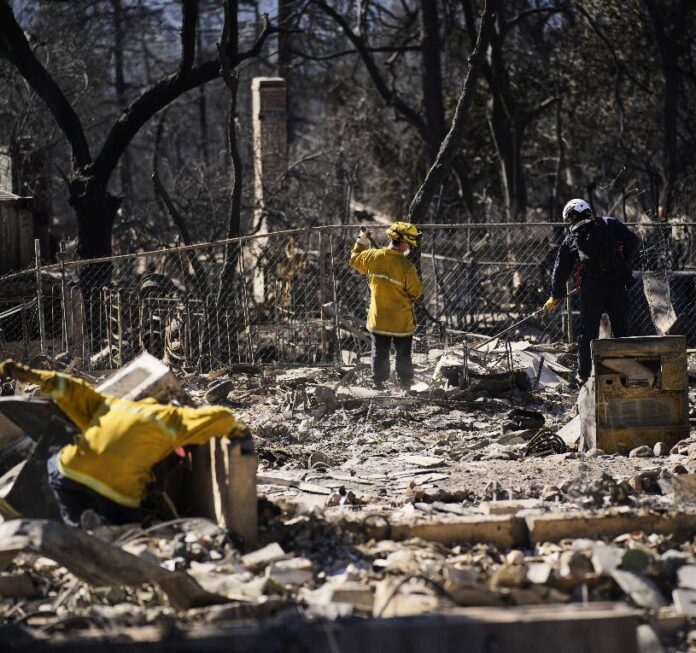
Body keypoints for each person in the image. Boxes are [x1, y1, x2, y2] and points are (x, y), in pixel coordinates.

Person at [0, 359, 249, 527]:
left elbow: (70, 387)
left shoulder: (113, 405)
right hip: (117, 490)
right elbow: (218, 417)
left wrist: (27, 374)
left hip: (73, 472)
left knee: (58, 467)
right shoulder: (171, 419)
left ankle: (79, 527)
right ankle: (115, 530)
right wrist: (237, 430)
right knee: (127, 528)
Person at [542, 199, 639, 384]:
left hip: (592, 290)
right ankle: (626, 375)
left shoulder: (572, 237)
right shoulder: (609, 223)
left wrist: (555, 295)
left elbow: (560, 269)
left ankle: (584, 376)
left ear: (570, 218)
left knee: (587, 334)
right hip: (617, 284)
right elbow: (632, 240)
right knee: (621, 331)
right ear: (587, 210)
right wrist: (621, 260)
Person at [349, 221, 424, 390]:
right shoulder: (407, 266)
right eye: (409, 244)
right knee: (403, 354)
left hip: (379, 319)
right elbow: (416, 292)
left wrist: (362, 241)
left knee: (380, 352)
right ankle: (405, 384)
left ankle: (379, 383)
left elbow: (354, 260)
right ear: (403, 243)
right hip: (401, 322)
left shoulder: (372, 257)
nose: (409, 248)